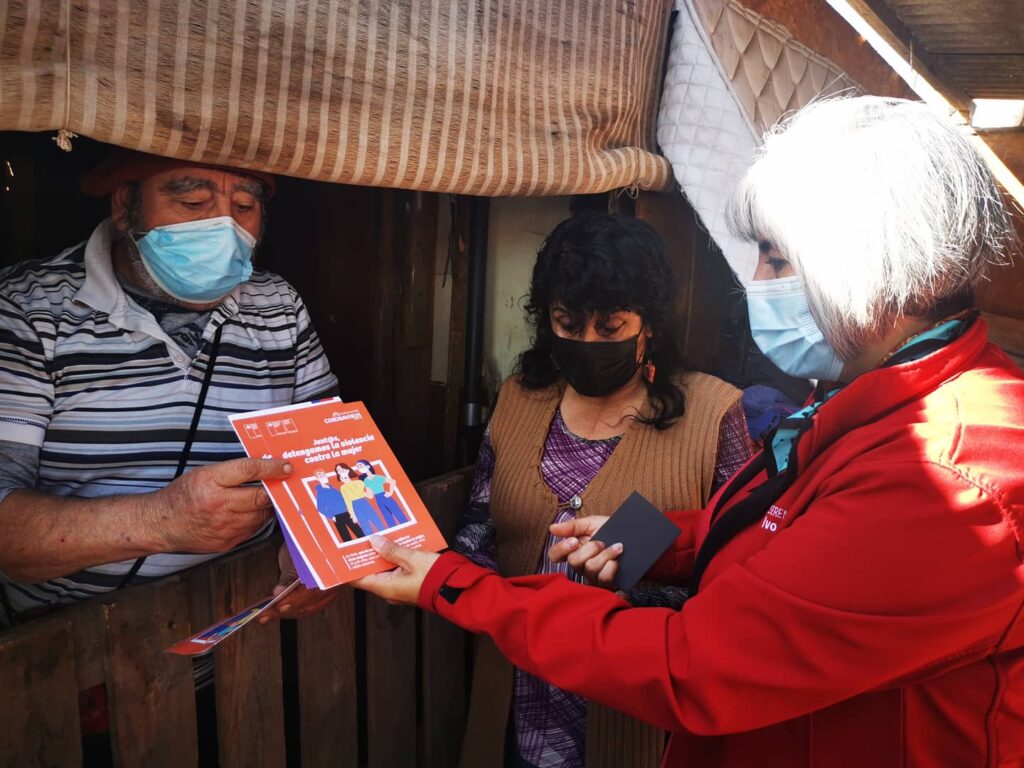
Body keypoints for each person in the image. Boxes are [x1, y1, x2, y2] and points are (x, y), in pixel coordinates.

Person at [353, 97, 1024, 767]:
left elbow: (694, 663)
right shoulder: (860, 409)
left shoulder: (949, 477)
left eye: (779, 259)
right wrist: (644, 538)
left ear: (908, 268)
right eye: (566, 322)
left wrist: (463, 591)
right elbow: (767, 532)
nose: (757, 283)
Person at [448, 212, 752, 768]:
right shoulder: (521, 398)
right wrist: (447, 574)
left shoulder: (713, 412)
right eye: (567, 323)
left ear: (649, 324)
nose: (586, 342)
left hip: (636, 716)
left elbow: (737, 575)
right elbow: (480, 523)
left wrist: (635, 584)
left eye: (609, 329)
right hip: (518, 701)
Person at [0, 149, 337, 622]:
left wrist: (311, 552)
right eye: (194, 203)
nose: (224, 227)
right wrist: (161, 522)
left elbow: (331, 456)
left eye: (244, 208)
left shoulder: (279, 305)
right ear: (124, 206)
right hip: (77, 653)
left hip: (248, 624)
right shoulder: (25, 310)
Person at [314, 470, 365, 542]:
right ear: (317, 478)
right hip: (336, 516)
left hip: (346, 513)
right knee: (346, 537)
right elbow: (320, 507)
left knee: (359, 532)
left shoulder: (334, 489)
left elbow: (343, 499)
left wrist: (350, 511)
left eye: (323, 474)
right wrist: (332, 516)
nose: (322, 476)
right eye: (320, 475)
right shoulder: (320, 493)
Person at [356, 459, 408, 527]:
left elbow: (392, 481)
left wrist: (390, 492)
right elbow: (370, 496)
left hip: (385, 496)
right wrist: (361, 492)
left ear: (368, 466)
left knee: (397, 512)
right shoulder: (365, 481)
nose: (360, 468)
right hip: (378, 499)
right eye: (358, 467)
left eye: (361, 465)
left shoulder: (377, 477)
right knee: (387, 516)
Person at [336, 463, 385, 534]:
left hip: (364, 503)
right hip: (355, 506)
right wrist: (352, 515)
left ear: (347, 470)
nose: (340, 472)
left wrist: (347, 482)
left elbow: (368, 496)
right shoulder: (343, 487)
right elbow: (347, 501)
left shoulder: (359, 482)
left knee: (377, 522)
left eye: (342, 469)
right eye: (338, 471)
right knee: (365, 527)